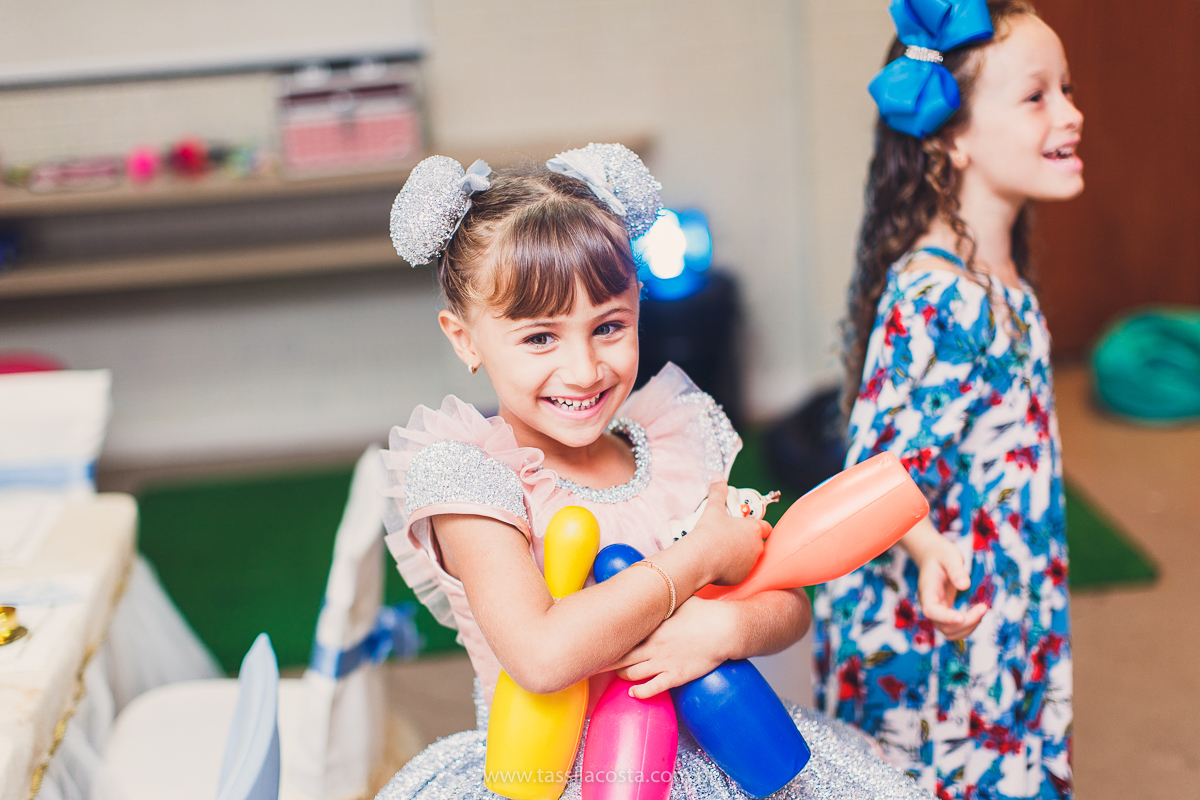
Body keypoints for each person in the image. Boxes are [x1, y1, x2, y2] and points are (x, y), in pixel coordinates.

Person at [376, 144, 928, 799]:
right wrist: (696, 559)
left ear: (640, 304)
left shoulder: (674, 444)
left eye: (609, 326)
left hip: (716, 760)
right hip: (554, 777)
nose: (584, 370)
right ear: (465, 337)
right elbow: (543, 656)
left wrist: (729, 627)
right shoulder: (473, 481)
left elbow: (785, 600)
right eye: (540, 338)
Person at [813, 1, 1080, 798]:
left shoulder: (1000, 284)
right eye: (1037, 96)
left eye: (1067, 89)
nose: (1072, 112)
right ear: (952, 136)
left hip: (1006, 617)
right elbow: (874, 478)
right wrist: (930, 551)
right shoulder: (939, 297)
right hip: (939, 657)